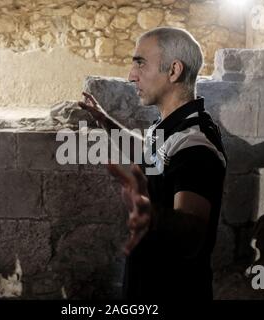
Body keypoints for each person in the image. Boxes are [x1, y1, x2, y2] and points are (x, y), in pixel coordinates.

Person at [78, 27, 227, 300]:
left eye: (140, 63)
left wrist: (152, 214)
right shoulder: (174, 125)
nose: (131, 76)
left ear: (173, 71)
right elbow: (150, 154)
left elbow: (193, 232)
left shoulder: (194, 145)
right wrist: (106, 121)